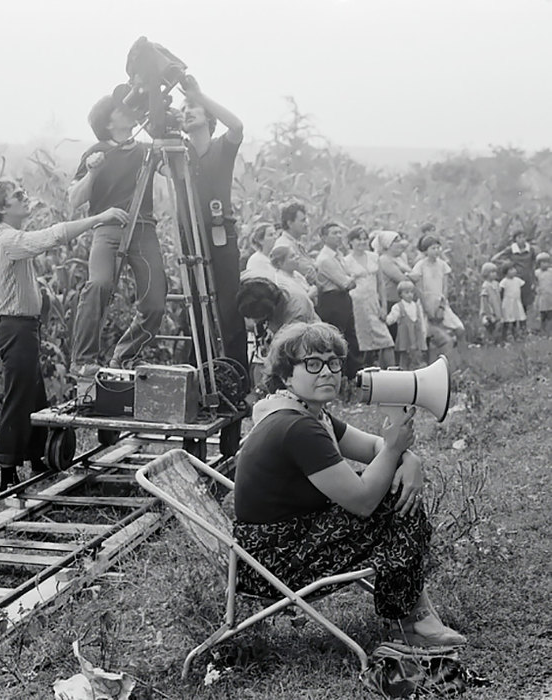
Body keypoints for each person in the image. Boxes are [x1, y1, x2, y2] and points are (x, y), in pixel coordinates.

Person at [233, 321, 466, 647]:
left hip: (272, 547)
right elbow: (362, 501)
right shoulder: (297, 428)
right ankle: (413, 621)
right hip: (276, 562)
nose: (326, 372)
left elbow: (373, 448)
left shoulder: (305, 412)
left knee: (394, 492)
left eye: (333, 362)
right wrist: (396, 450)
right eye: (312, 364)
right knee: (393, 500)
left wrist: (408, 458)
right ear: (287, 375)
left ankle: (415, 615)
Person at [0, 179, 129, 491]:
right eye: (16, 196)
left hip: (23, 328)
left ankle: (37, 461)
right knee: (19, 398)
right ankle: (7, 473)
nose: (24, 198)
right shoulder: (6, 240)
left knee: (34, 395)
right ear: (1, 208)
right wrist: (98, 218)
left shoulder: (4, 237)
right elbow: (53, 237)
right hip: (15, 328)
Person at [68, 95, 168, 376]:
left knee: (155, 301)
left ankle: (124, 356)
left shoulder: (148, 151)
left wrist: (166, 144)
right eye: (120, 108)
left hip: (144, 227)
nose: (128, 110)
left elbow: (174, 174)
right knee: (98, 285)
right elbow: (74, 199)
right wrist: (92, 172)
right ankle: (82, 360)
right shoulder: (97, 152)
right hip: (107, 228)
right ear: (108, 121)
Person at [179, 76, 248, 370]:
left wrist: (199, 95)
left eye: (192, 107)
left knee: (228, 306)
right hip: (190, 234)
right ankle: (200, 371)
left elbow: (237, 126)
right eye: (182, 109)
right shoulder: (178, 152)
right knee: (195, 304)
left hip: (221, 234)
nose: (186, 111)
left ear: (208, 116)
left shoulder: (222, 147)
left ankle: (235, 374)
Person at [314, 222, 362, 379]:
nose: (338, 236)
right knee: (337, 339)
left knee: (351, 338)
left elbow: (350, 279)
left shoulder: (339, 256)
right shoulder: (325, 259)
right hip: (332, 301)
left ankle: (353, 378)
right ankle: (339, 379)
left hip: (343, 300)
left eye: (340, 232)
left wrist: (352, 278)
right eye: (334, 233)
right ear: (323, 237)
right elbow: (346, 282)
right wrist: (353, 278)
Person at [344, 226, 395, 368]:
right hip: (356, 305)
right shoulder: (346, 261)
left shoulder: (374, 257)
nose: (362, 242)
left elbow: (381, 285)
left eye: (364, 238)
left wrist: (384, 307)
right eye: (358, 239)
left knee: (386, 341)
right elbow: (345, 285)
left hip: (374, 303)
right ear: (351, 242)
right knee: (363, 344)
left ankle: (392, 374)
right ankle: (365, 377)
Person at [410, 235, 465, 359]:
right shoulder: (420, 266)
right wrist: (426, 308)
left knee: (459, 328)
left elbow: (445, 287)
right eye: (433, 248)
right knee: (426, 336)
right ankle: (427, 363)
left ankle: (460, 358)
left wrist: (442, 305)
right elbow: (419, 289)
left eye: (438, 247)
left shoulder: (443, 265)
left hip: (440, 301)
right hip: (426, 302)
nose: (437, 251)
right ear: (425, 251)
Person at [270, 246, 319, 331]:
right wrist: (310, 294)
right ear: (280, 263)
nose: (297, 257)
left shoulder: (297, 275)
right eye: (292, 256)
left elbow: (314, 302)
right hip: (293, 325)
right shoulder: (280, 282)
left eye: (296, 255)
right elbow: (292, 305)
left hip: (309, 319)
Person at [376, 230, 413, 341]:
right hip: (390, 302)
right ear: (388, 244)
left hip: (401, 301)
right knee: (393, 335)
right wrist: (410, 274)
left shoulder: (399, 258)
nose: (400, 243)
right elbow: (403, 279)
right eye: (395, 241)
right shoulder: (384, 260)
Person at [385, 280, 427, 369]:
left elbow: (421, 321)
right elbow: (391, 318)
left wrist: (423, 332)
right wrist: (386, 320)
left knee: (417, 356)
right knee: (404, 357)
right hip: (405, 336)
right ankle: (403, 371)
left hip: (416, 336)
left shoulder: (417, 306)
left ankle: (416, 370)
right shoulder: (398, 307)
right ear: (401, 294)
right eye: (407, 292)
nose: (410, 295)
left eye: (412, 292)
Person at [492, 229, 537, 312]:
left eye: (524, 237)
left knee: (525, 302)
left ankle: (523, 322)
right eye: (519, 237)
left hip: (527, 278)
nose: (522, 239)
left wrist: (534, 278)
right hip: (515, 278)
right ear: (515, 239)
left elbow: (535, 263)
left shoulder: (531, 250)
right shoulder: (511, 249)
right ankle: (512, 322)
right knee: (515, 300)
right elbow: (494, 259)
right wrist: (508, 263)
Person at [273, 202, 317, 284]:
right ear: (290, 223)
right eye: (303, 220)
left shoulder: (297, 244)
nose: (307, 224)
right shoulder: (283, 245)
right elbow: (283, 277)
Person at [499, 261, 526, 340]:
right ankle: (505, 335)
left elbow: (522, 289)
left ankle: (515, 333)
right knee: (507, 318)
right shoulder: (504, 282)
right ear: (505, 272)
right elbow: (501, 292)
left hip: (516, 301)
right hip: (508, 302)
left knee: (516, 317)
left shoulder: (517, 280)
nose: (513, 271)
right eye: (510, 270)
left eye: (514, 268)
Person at [478, 262, 503, 344]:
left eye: (495, 272)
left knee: (497, 324)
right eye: (491, 272)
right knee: (489, 324)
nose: (494, 274)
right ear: (486, 273)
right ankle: (488, 339)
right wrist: (487, 312)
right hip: (489, 308)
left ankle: (496, 339)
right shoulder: (486, 285)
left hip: (496, 307)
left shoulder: (496, 284)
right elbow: (484, 299)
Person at [534, 252, 552, 335]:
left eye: (547, 262)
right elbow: (535, 282)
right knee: (542, 313)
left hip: (550, 294)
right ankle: (542, 328)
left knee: (550, 313)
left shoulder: (550, 272)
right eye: (543, 262)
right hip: (542, 295)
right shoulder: (537, 273)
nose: (545, 264)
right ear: (539, 264)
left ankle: (549, 329)